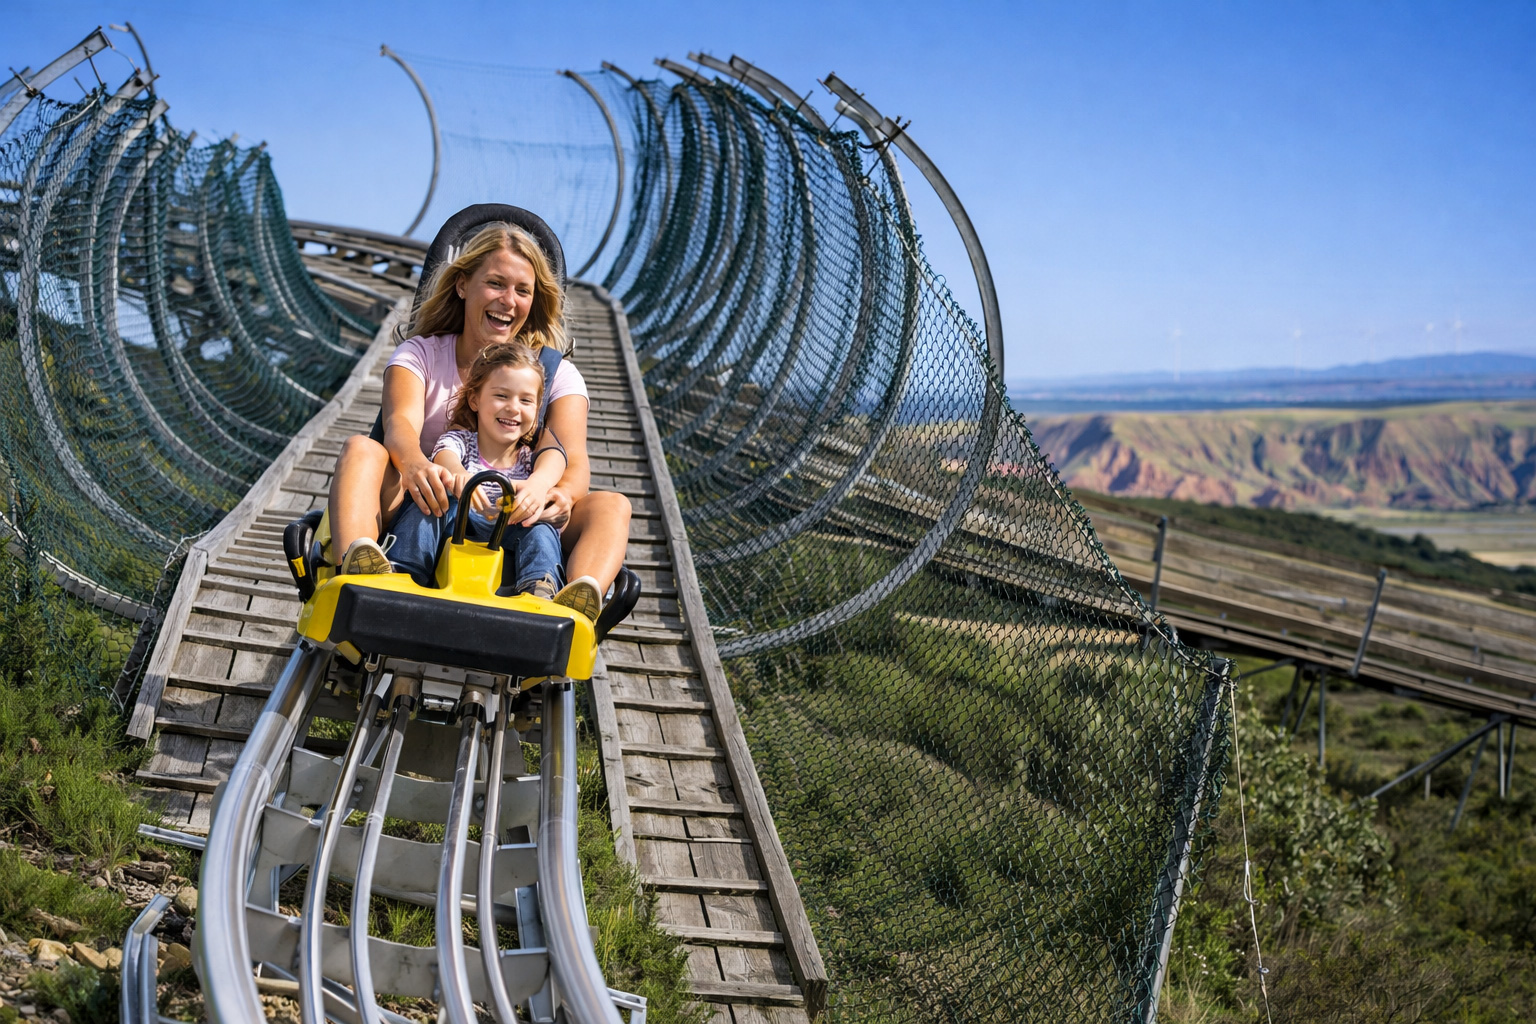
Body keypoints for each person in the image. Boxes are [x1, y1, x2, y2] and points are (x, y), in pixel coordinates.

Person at [327, 221, 630, 620]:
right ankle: (360, 570)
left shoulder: (554, 374)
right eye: (495, 284)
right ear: (463, 285)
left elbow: (569, 457)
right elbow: (400, 422)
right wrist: (418, 463)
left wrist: (560, 495)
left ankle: (573, 603)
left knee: (613, 506)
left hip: (519, 514)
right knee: (361, 450)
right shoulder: (422, 354)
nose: (508, 300)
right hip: (432, 497)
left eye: (522, 290)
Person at [386, 341, 568, 600]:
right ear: (475, 400)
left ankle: (540, 585)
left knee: (541, 527)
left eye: (525, 400)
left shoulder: (529, 458)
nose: (513, 407)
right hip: (459, 523)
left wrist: (538, 487)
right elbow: (444, 455)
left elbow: (556, 459)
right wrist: (458, 475)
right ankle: (403, 567)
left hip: (510, 526)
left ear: (536, 411)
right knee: (438, 499)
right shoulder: (462, 442)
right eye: (501, 396)